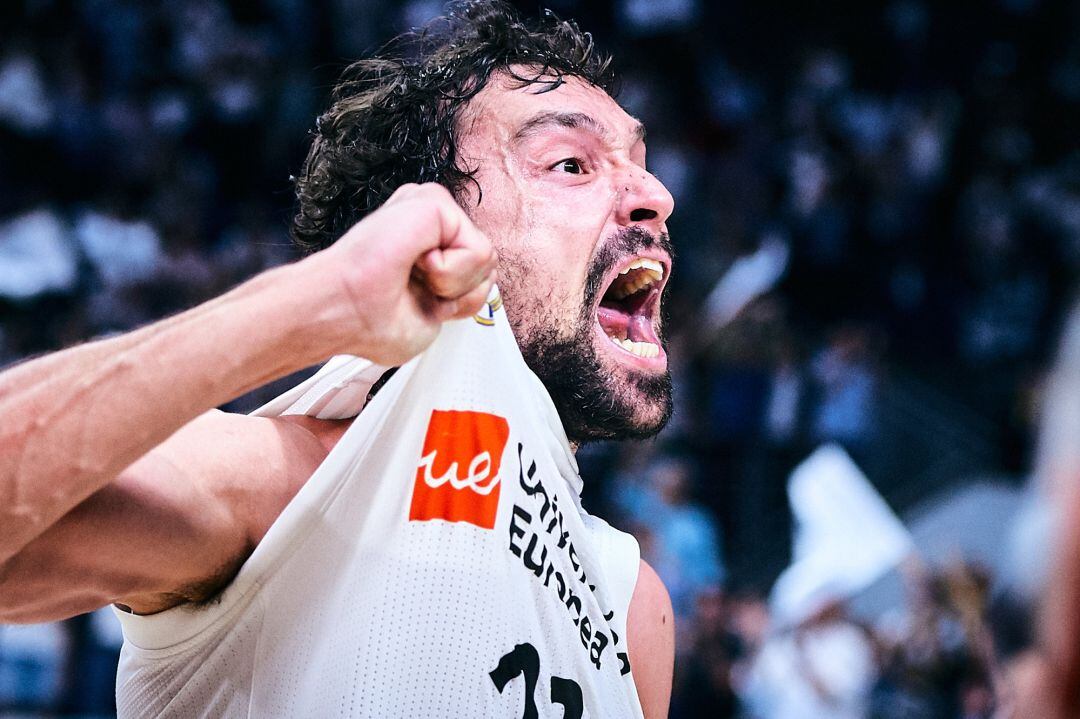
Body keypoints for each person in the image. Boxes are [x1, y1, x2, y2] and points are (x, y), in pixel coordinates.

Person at [0, 2, 676, 716]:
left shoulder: (634, 607)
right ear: (428, 231)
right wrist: (311, 305)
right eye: (571, 163)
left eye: (640, 163)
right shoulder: (299, 483)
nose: (657, 197)